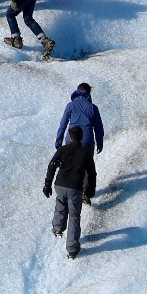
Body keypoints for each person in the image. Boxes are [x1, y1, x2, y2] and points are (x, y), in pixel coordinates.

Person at [43, 125, 97, 260]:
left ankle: (58, 228)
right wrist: (89, 191)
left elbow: (52, 165)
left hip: (60, 184)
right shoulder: (86, 153)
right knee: (74, 216)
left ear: (71, 137)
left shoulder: (63, 149)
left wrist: (47, 185)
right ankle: (72, 248)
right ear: (82, 137)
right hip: (75, 187)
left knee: (60, 205)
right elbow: (91, 173)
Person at [55, 83, 104, 154]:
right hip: (87, 142)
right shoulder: (93, 107)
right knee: (87, 165)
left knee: (69, 164)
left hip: (71, 141)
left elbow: (62, 125)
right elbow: (98, 128)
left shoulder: (70, 105)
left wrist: (58, 143)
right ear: (88, 92)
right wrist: (100, 143)